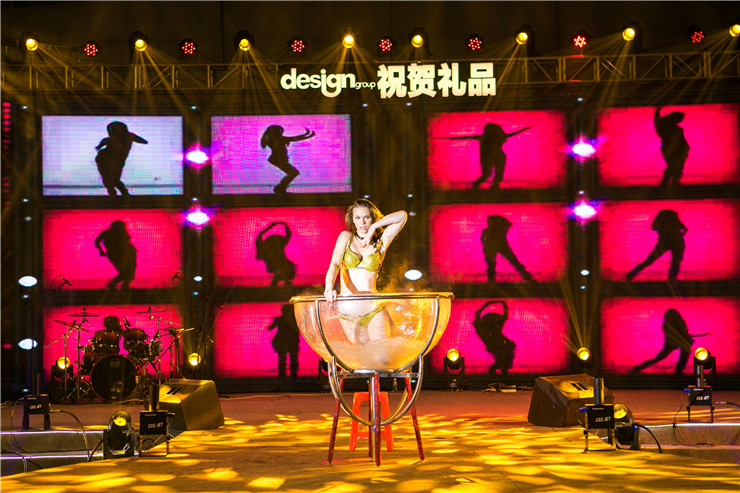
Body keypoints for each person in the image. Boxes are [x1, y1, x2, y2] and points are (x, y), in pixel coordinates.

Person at [324, 198, 408, 343]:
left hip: (373, 308)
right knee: (360, 354)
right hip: (348, 310)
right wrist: (328, 288)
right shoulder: (346, 237)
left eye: (366, 217)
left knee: (381, 352)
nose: (362, 222)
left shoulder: (381, 242)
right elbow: (335, 264)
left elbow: (402, 216)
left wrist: (374, 227)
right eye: (357, 218)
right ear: (353, 220)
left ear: (372, 218)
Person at [443, 123, 531, 190]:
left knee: (495, 171)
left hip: (495, 156)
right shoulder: (490, 137)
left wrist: (451, 138)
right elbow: (514, 133)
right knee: (489, 174)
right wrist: (451, 138)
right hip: (490, 156)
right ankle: (481, 184)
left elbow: (514, 133)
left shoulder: (487, 137)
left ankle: (490, 185)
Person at [631, 308, 708, 375]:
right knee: (681, 354)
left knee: (664, 357)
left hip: (671, 343)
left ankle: (638, 368)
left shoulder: (668, 323)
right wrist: (687, 338)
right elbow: (680, 333)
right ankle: (678, 371)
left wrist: (687, 337)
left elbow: (679, 333)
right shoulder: (672, 324)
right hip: (672, 343)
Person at [626, 209, 687, 282]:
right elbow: (683, 228)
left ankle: (633, 273)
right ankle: (672, 279)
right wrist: (680, 234)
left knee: (651, 259)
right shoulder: (673, 217)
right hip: (675, 240)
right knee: (675, 261)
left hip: (665, 240)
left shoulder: (661, 217)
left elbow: (653, 227)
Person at [95, 121, 148, 196]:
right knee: (109, 179)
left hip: (116, 161)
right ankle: (117, 193)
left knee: (113, 179)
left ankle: (120, 193)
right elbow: (98, 147)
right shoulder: (111, 139)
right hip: (105, 159)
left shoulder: (128, 136)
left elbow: (144, 141)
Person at [260, 125, 315, 194]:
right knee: (293, 173)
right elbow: (294, 139)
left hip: (278, 159)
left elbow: (293, 139)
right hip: (278, 159)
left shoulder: (273, 139)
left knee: (293, 173)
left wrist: (307, 135)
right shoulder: (278, 139)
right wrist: (307, 135)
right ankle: (280, 188)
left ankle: (280, 188)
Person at [481, 215, 534, 282]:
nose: (489, 223)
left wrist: (485, 244)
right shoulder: (494, 230)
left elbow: (483, 239)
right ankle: (525, 275)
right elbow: (483, 239)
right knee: (512, 261)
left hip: (495, 246)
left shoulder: (490, 231)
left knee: (492, 264)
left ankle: (491, 280)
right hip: (497, 246)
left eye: (490, 222)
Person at [94, 220, 138, 291]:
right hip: (116, 255)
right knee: (124, 273)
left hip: (128, 253)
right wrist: (100, 250)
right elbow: (97, 241)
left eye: (121, 227)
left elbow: (127, 242)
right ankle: (112, 284)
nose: (120, 228)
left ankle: (124, 285)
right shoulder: (107, 233)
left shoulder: (123, 232)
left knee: (130, 272)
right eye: (118, 226)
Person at [653, 107, 689, 188]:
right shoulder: (669, 129)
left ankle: (669, 181)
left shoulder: (677, 130)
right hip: (671, 149)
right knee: (673, 166)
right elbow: (657, 123)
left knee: (675, 166)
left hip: (677, 150)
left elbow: (657, 123)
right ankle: (668, 180)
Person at [255, 221, 296, 287]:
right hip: (280, 267)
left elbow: (259, 235)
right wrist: (285, 226)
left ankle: (281, 282)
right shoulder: (265, 248)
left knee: (282, 276)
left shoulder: (263, 247)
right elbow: (288, 235)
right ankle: (282, 282)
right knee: (283, 276)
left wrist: (270, 227)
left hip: (280, 267)